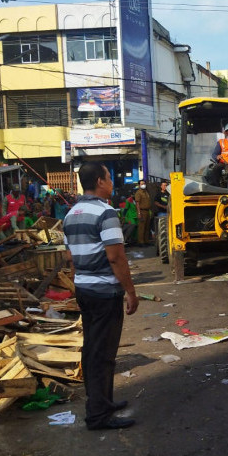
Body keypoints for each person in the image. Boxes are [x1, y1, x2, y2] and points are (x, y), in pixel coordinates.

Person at [63, 162, 139, 431]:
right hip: (105, 292)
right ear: (99, 181)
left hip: (85, 289)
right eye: (109, 178)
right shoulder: (105, 213)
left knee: (94, 349)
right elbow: (116, 257)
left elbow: (71, 257)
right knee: (102, 353)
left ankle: (103, 402)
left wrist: (79, 284)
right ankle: (98, 415)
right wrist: (130, 291)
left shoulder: (71, 214)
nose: (111, 182)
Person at [135, 180, 152, 245]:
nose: (143, 185)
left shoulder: (146, 192)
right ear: (139, 185)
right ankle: (141, 242)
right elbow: (137, 203)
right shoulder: (138, 193)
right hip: (142, 211)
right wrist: (139, 213)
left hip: (147, 211)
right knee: (142, 227)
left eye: (144, 183)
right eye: (142, 184)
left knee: (147, 227)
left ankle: (146, 241)